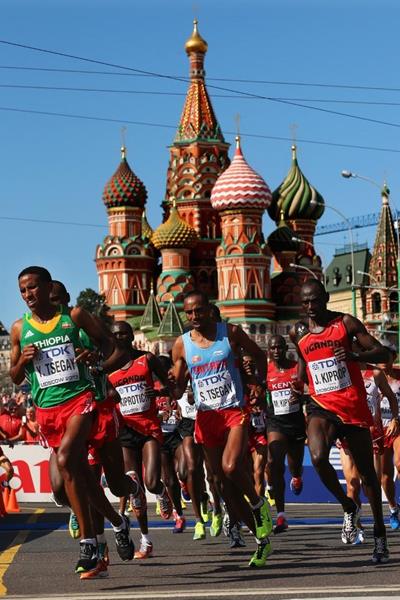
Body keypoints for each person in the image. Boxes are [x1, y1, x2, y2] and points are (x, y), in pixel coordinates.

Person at [10, 266, 135, 575]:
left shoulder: (75, 317)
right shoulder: (18, 329)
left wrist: (97, 361)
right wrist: (23, 361)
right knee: (66, 482)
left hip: (84, 401)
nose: (28, 295)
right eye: (23, 290)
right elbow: (15, 377)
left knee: (84, 469)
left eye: (33, 288)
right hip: (48, 410)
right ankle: (116, 524)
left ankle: (91, 539)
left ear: (51, 288)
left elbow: (111, 347)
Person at [290, 278, 392, 563]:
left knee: (367, 475)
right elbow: (303, 367)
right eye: (305, 302)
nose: (310, 307)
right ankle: (348, 506)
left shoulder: (346, 324)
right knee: (319, 456)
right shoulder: (298, 332)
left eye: (315, 301)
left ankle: (380, 534)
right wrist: (299, 385)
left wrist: (354, 354)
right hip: (321, 406)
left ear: (326, 299)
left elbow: (385, 352)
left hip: (352, 407)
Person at [48, 280, 145, 579]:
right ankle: (109, 534)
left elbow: (119, 354)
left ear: (66, 299)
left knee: (114, 486)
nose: (48, 306)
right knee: (65, 487)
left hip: (99, 409)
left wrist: (99, 365)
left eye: (55, 300)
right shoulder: (38, 333)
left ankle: (132, 488)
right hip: (66, 413)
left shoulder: (79, 322)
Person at [172, 290, 273, 568]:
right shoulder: (181, 345)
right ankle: (261, 540)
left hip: (234, 412)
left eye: (198, 311)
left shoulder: (230, 333)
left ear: (208, 309)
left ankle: (259, 504)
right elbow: (179, 385)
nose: (194, 316)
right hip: (206, 418)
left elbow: (257, 354)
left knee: (231, 468)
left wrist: (259, 384)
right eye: (189, 312)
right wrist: (174, 385)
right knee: (222, 486)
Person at [109, 320, 173, 559]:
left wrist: (157, 392)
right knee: (134, 487)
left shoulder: (147, 359)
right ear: (112, 338)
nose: (121, 337)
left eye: (125, 333)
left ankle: (161, 491)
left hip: (148, 428)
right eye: (116, 334)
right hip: (125, 431)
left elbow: (170, 387)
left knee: (151, 481)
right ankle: (145, 539)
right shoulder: (109, 369)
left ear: (131, 336)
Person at [265, 335, 306, 534]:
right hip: (275, 423)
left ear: (284, 349)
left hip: (296, 423)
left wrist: (300, 394)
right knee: (274, 463)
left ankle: (297, 477)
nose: (276, 351)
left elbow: (308, 390)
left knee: (295, 465)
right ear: (269, 350)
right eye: (272, 348)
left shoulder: (295, 368)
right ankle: (281, 516)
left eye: (279, 347)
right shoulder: (266, 370)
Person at [378, 343, 400, 529]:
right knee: (385, 477)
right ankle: (394, 508)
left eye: (388, 356)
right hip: (379, 431)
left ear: (394, 357)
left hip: (398, 428)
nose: (383, 360)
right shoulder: (372, 377)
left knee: (399, 463)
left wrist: (396, 419)